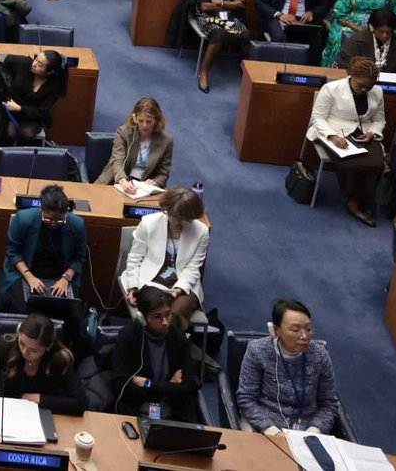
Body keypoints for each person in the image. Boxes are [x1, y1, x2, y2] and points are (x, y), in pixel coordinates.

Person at [235, 299, 340, 435]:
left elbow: (328, 404)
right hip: (265, 424)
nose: (304, 336)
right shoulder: (257, 351)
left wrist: (312, 432)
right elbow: (246, 399)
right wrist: (272, 431)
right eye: (295, 330)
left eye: (308, 329)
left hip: (306, 427)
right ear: (276, 330)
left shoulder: (319, 355)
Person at [0, 313, 84, 425]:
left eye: (33, 350)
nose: (24, 352)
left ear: (48, 346)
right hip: (0, 413)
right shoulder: (4, 347)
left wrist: (40, 399)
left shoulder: (60, 360)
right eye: (22, 343)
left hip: (39, 419)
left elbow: (79, 403)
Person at [306, 57, 386, 225]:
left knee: (378, 164)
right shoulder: (331, 89)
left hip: (363, 133)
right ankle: (354, 200)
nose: (364, 90)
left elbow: (379, 120)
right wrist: (332, 136)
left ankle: (358, 197)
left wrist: (372, 133)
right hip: (333, 131)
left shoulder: (377, 92)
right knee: (352, 163)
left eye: (369, 87)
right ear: (351, 75)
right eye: (361, 85)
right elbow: (317, 118)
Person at [120, 184, 209, 332]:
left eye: (182, 218)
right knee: (156, 312)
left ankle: (167, 344)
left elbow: (193, 268)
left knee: (174, 315)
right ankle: (152, 342)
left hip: (183, 282)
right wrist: (132, 287)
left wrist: (179, 289)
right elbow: (135, 258)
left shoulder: (201, 231)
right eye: (172, 215)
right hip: (151, 279)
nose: (176, 221)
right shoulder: (148, 223)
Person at [109, 285, 203, 420]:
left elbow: (189, 386)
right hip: (135, 411)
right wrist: (168, 387)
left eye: (168, 314)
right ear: (143, 318)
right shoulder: (129, 336)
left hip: (173, 411)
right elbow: (120, 385)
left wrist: (148, 383)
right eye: (157, 317)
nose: (165, 322)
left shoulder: (178, 337)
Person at [0, 185, 88, 313]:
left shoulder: (77, 224)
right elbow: (13, 251)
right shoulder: (23, 219)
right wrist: (30, 277)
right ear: (41, 209)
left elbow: (79, 257)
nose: (53, 224)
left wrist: (65, 279)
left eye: (59, 220)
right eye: (48, 219)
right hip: (25, 270)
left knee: (68, 311)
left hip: (61, 273)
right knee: (24, 307)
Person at [195, 0, 251, 93]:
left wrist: (219, 2)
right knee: (219, 34)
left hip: (231, 17)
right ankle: (204, 71)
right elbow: (205, 6)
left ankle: (247, 67)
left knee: (245, 34)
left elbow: (241, 5)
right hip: (208, 17)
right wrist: (231, 4)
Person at [95, 97, 174, 191]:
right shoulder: (123, 133)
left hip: (143, 188)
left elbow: (163, 174)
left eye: (149, 122)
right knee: (86, 199)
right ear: (135, 118)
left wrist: (156, 182)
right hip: (116, 182)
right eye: (141, 121)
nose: (144, 125)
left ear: (157, 120)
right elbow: (117, 161)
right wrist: (122, 180)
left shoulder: (166, 140)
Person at [336, 7, 396, 74]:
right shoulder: (355, 42)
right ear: (372, 28)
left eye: (388, 32)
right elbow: (344, 66)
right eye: (381, 31)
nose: (385, 35)